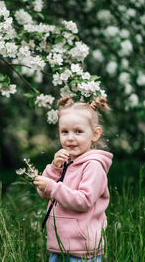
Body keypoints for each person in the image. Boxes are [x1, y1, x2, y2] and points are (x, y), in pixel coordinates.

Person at [33, 97, 113, 262]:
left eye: (78, 131)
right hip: (59, 244)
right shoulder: (66, 161)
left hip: (82, 249)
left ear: (95, 134)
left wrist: (53, 187)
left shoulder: (93, 166)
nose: (70, 138)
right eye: (65, 132)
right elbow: (44, 193)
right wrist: (54, 167)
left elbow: (84, 201)